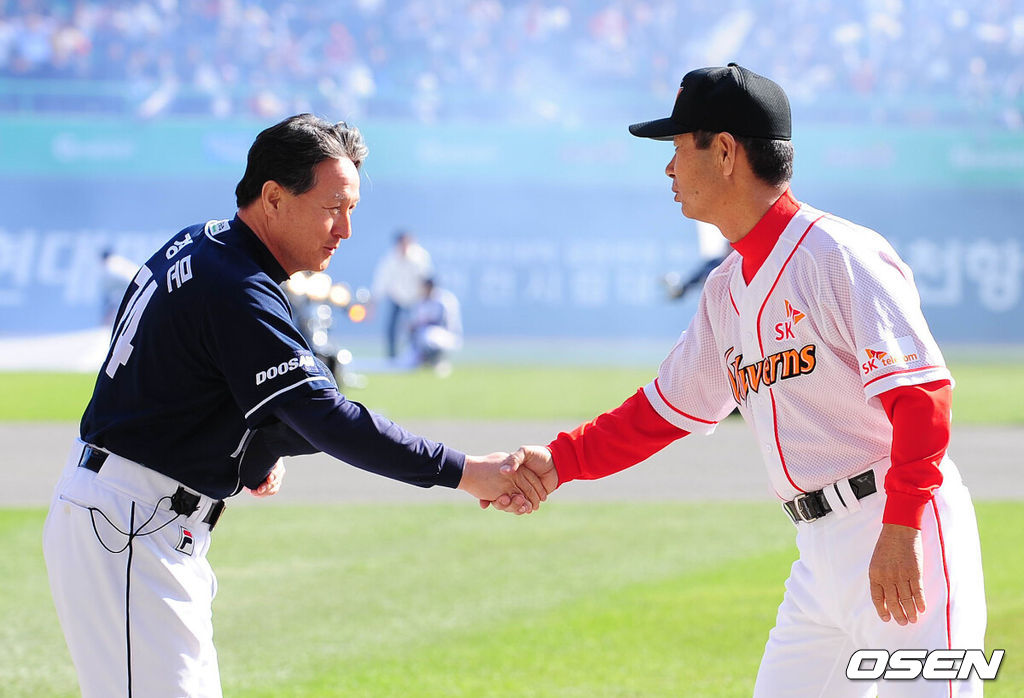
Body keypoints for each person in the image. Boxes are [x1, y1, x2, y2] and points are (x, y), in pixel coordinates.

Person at [494, 64, 987, 697]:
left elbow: (921, 399)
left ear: (725, 152)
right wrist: (558, 461)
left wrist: (901, 526)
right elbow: (663, 411)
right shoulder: (726, 287)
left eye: (678, 147)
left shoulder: (837, 254)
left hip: (899, 526)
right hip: (818, 550)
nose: (669, 169)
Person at [41, 114, 545, 698]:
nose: (347, 229)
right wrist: (466, 473)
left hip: (136, 518)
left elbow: (205, 390)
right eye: (335, 205)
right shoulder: (238, 286)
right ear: (274, 198)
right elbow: (326, 417)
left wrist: (254, 450)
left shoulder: (204, 244)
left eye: (353, 207)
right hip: (129, 524)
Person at [370, 228, 433, 360]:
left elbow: (426, 278)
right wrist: (374, 301)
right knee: (392, 327)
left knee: (416, 327)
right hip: (397, 297)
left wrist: (426, 298)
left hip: (415, 298)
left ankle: (416, 355)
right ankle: (392, 355)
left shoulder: (420, 257)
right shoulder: (390, 259)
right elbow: (382, 281)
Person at [406, 277, 463, 374]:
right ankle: (425, 361)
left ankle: (437, 361)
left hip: (444, 335)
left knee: (429, 336)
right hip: (425, 336)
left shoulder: (443, 301)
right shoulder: (420, 301)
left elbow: (441, 323)